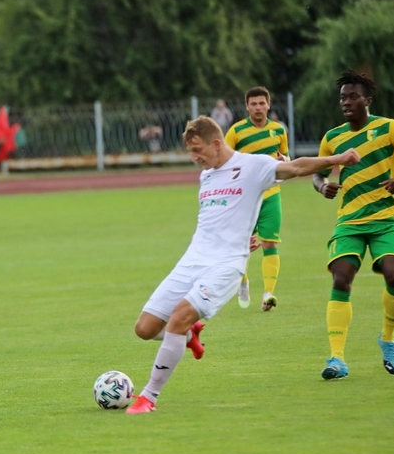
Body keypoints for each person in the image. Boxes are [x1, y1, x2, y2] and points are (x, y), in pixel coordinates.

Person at [126, 116, 360, 414]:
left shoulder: (253, 166)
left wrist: (340, 158)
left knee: (178, 317)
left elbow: (297, 166)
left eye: (197, 149)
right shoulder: (206, 175)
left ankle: (149, 396)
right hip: (193, 259)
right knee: (145, 328)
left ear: (216, 143)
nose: (194, 157)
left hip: (227, 265)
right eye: (190, 152)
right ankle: (188, 335)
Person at [312, 70, 394, 381]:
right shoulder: (333, 137)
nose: (346, 102)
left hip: (385, 219)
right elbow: (317, 171)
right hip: (349, 221)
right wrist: (321, 185)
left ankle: (388, 339)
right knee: (340, 279)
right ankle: (337, 358)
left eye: (353, 97)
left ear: (368, 100)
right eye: (342, 98)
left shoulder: (391, 128)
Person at [224, 86, 290, 312]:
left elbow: (285, 158)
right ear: (247, 106)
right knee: (245, 245)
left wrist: (286, 159)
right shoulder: (236, 131)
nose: (258, 107)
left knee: (270, 243)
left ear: (268, 105)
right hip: (245, 199)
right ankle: (243, 281)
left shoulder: (278, 131)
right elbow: (224, 161)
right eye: (253, 104)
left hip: (271, 195)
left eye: (262, 103)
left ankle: (268, 294)